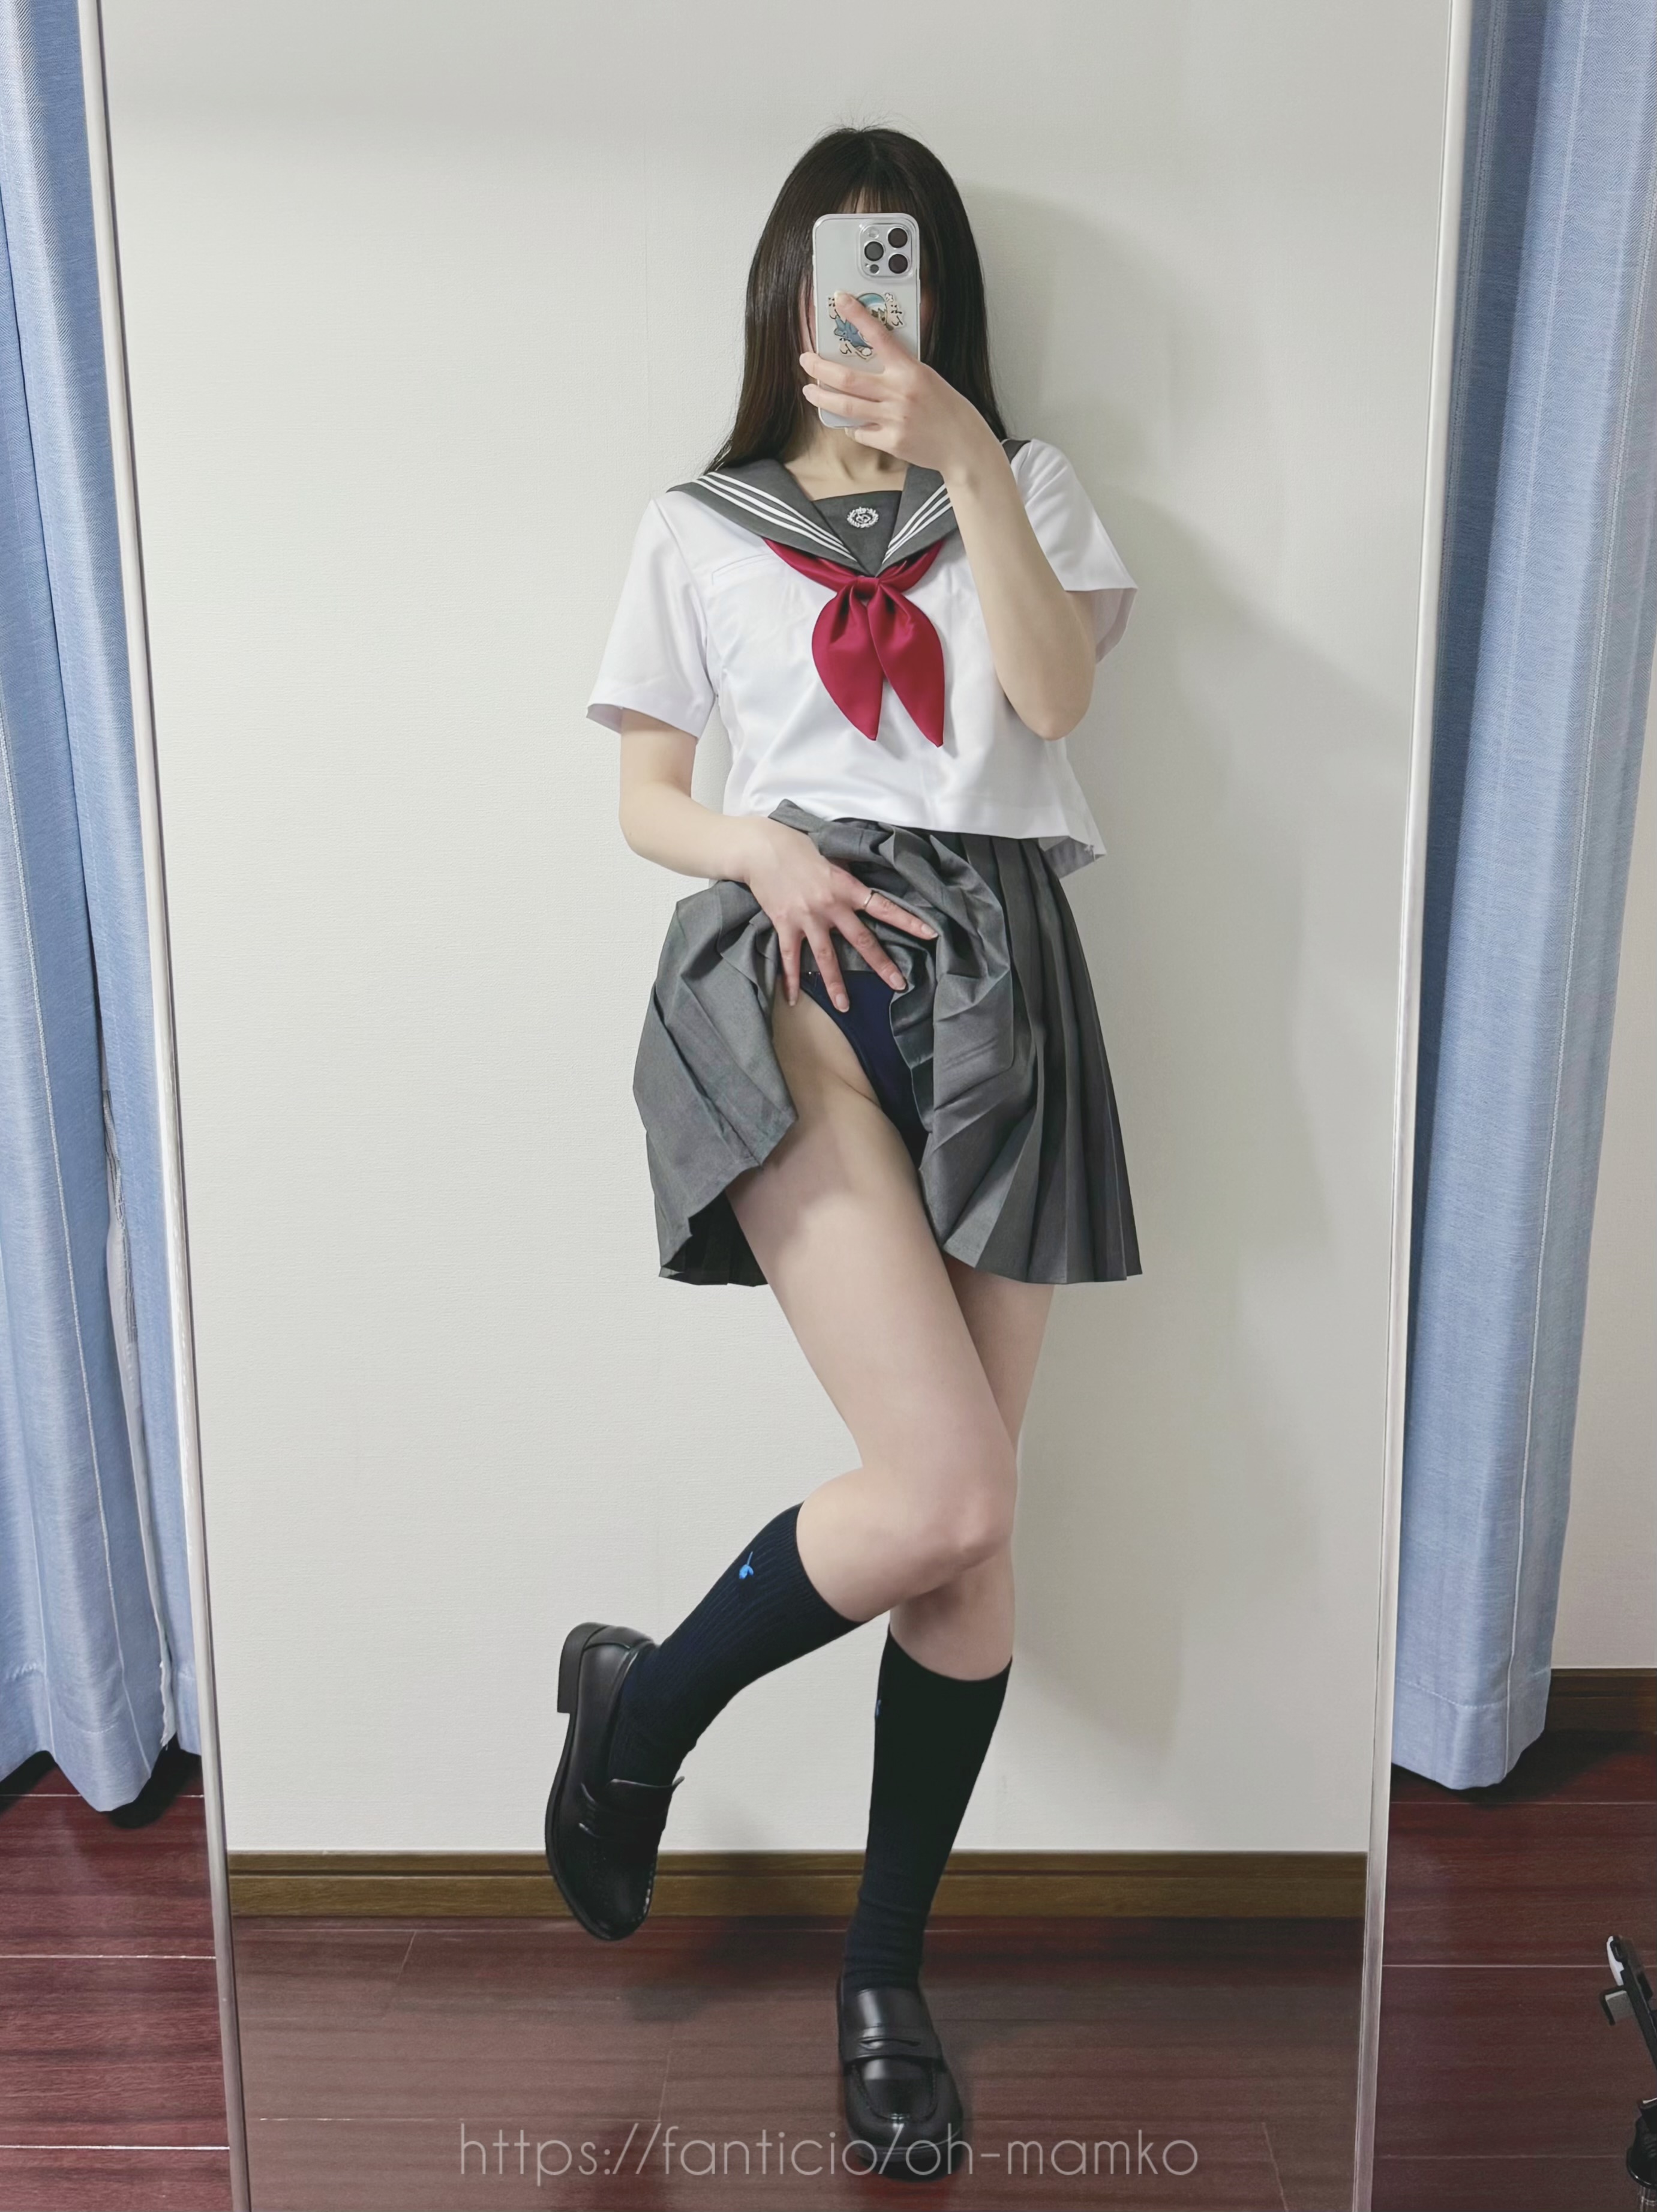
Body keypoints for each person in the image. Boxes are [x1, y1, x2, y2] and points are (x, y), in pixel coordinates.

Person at [545, 124, 1140, 2181]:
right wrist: (761, 847)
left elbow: (1050, 699)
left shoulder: (1025, 486)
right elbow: (647, 796)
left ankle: (877, 1977)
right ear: (786, 298)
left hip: (1008, 993)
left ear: (937, 291)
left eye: (898, 267)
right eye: (835, 269)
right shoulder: (696, 522)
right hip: (799, 972)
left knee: (968, 1535)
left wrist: (961, 453)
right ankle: (645, 1724)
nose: (866, 299)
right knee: (947, 1479)